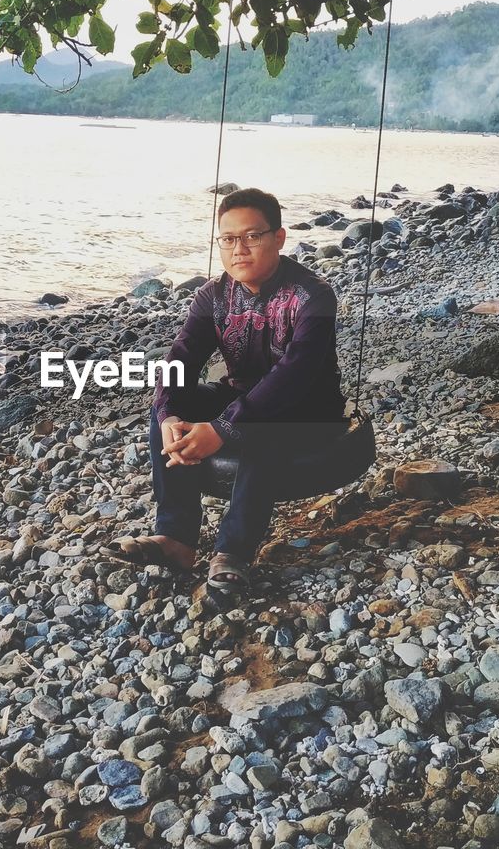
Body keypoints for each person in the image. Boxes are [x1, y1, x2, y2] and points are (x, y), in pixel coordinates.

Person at [107, 187, 346, 595]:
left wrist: (221, 429)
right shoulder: (213, 295)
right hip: (241, 398)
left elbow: (294, 375)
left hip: (309, 411)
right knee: (177, 402)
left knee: (264, 426)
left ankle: (233, 552)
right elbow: (181, 358)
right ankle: (177, 538)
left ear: (279, 238)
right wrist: (169, 416)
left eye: (252, 236)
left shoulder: (313, 296)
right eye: (229, 239)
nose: (240, 249)